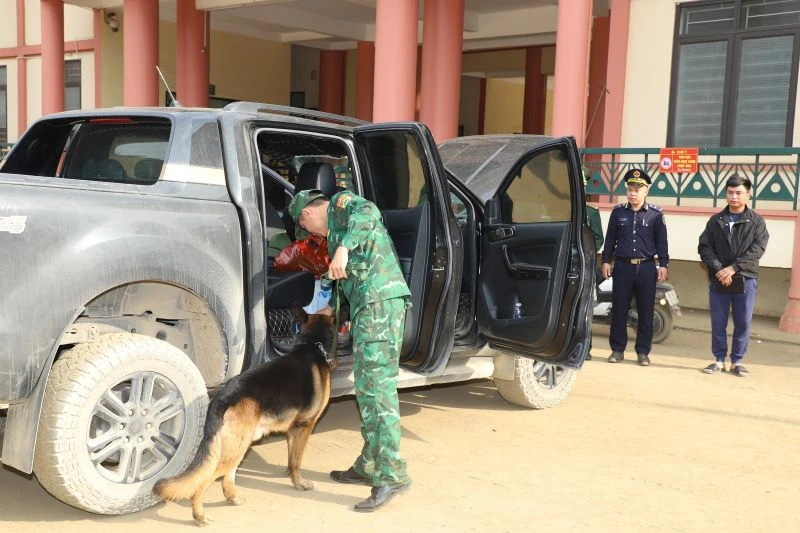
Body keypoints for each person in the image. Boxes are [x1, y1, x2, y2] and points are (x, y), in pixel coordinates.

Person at [287, 188, 412, 511]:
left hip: (381, 305)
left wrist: (342, 248)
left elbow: (369, 213)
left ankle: (391, 474)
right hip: (367, 309)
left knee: (379, 389)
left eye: (307, 228)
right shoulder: (335, 235)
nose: (313, 235)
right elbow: (345, 278)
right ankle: (369, 464)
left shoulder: (343, 207)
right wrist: (328, 307)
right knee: (367, 389)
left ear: (308, 215)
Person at [697, 175, 769, 377]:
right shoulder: (715, 221)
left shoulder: (757, 222)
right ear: (726, 194)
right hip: (719, 279)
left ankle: (737, 361)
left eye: (739, 193)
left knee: (743, 321)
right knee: (718, 321)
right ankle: (718, 359)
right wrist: (720, 269)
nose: (734, 196)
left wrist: (733, 268)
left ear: (748, 195)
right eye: (730, 192)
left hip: (745, 279)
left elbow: (758, 249)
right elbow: (704, 246)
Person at [601, 168, 669, 366]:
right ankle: (617, 350)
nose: (633, 193)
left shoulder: (655, 215)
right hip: (623, 267)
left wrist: (663, 264)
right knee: (619, 310)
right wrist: (606, 260)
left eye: (637, 190)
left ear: (646, 191)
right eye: (630, 189)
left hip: (647, 268)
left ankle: (642, 352)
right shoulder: (618, 212)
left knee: (646, 311)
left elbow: (662, 242)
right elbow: (610, 239)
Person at [584, 169, 604, 361]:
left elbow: (598, 238)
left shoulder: (591, 212)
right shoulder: (560, 209)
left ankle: (586, 347)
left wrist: (586, 252)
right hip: (566, 266)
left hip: (586, 265)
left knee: (586, 308)